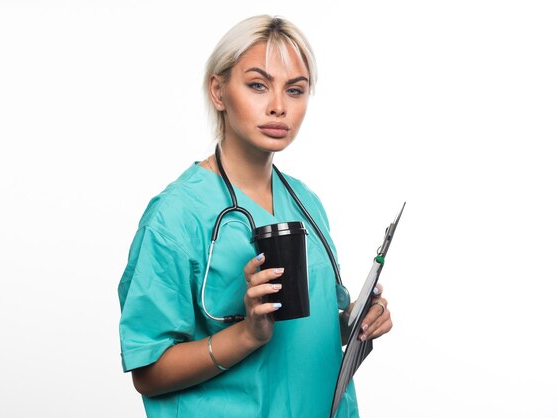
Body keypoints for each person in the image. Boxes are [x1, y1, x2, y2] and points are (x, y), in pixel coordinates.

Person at [117, 15, 393, 418]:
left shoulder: (305, 203)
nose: (279, 106)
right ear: (218, 91)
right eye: (258, 85)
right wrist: (247, 335)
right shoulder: (176, 216)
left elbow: (304, 334)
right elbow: (148, 370)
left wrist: (356, 324)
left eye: (295, 90)